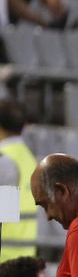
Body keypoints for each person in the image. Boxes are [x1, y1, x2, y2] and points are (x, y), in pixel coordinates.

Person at [0, 98, 38, 261]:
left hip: (4, 256)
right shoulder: (29, 159)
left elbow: (5, 212)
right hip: (24, 256)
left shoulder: (5, 159)